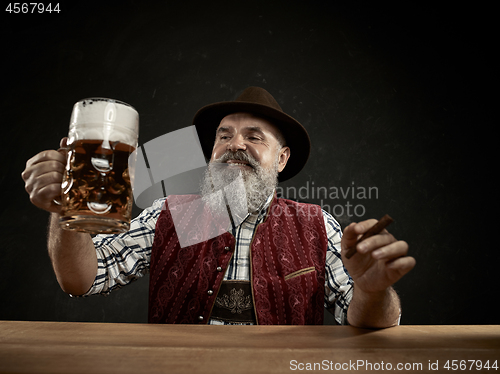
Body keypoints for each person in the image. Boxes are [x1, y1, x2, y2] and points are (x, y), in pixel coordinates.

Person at [22, 87, 415, 327]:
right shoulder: (174, 215)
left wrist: (372, 291)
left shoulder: (316, 225)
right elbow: (83, 278)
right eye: (223, 135)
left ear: (281, 159)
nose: (235, 144)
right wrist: (62, 208)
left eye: (254, 136)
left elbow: (365, 319)